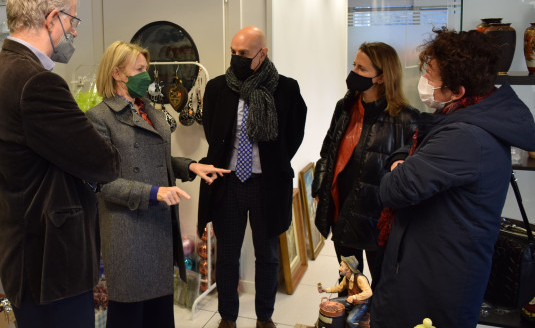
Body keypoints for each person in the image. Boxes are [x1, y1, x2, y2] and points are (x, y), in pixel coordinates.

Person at [0, 0, 120, 328]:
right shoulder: (36, 82)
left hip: (29, 256)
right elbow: (104, 163)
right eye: (72, 20)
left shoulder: (5, 68)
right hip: (50, 265)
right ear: (52, 17)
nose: (74, 30)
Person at [371, 28, 535, 328]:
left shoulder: (464, 136)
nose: (424, 81)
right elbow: (404, 152)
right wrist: (403, 162)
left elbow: (393, 189)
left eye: (431, 74)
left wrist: (401, 167)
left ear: (458, 91)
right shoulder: (458, 118)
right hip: (425, 269)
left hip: (438, 285)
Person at [86, 41, 230, 328]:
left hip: (158, 227)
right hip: (128, 232)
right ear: (117, 73)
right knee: (130, 314)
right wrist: (154, 193)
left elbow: (156, 159)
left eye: (146, 69)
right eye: (139, 69)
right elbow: (103, 183)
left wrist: (190, 166)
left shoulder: (148, 109)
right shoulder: (100, 118)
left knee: (159, 314)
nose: (147, 76)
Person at [198, 26, 307, 328]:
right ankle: (228, 317)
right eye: (233, 52)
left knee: (267, 255)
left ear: (263, 53)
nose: (236, 59)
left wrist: (273, 162)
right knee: (228, 256)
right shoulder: (218, 88)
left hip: (266, 185)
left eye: (243, 54)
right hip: (229, 183)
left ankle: (264, 317)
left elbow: (293, 135)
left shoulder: (286, 89)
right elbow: (213, 134)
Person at [312, 42, 419, 287]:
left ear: (382, 77)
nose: (354, 73)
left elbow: (406, 178)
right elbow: (328, 150)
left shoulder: (406, 119)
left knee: (382, 287)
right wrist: (320, 186)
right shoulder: (345, 107)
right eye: (354, 66)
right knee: (348, 282)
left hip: (377, 221)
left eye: (362, 69)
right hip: (342, 212)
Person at [317, 255, 372, 328]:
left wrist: (354, 297)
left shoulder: (360, 279)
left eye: (342, 266)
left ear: (348, 269)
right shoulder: (347, 278)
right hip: (351, 301)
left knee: (351, 321)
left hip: (362, 304)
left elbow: (369, 292)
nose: (339, 268)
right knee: (329, 303)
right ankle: (338, 323)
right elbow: (339, 288)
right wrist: (326, 290)